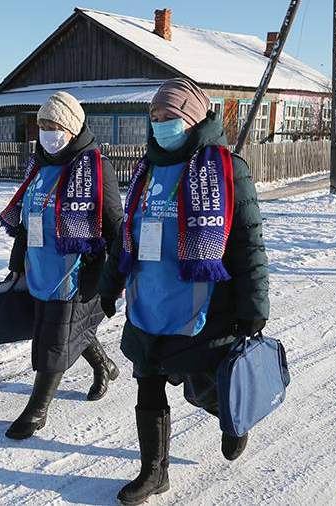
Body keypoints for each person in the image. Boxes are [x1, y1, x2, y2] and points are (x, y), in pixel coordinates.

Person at [98, 78, 270, 505]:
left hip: (202, 306)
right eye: (154, 117)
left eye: (169, 117)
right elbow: (127, 236)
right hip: (148, 299)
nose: (160, 124)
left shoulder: (228, 170)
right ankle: (154, 473)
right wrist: (109, 284)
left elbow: (248, 242)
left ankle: (232, 419)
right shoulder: (146, 169)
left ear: (192, 119)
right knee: (148, 381)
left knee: (204, 387)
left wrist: (254, 305)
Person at [0, 91, 124, 440]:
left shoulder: (96, 168)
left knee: (55, 340)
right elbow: (26, 222)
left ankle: (36, 412)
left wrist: (116, 275)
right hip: (40, 271)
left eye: (53, 125)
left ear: (70, 128)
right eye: (41, 125)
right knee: (66, 331)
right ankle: (104, 366)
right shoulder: (39, 167)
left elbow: (115, 225)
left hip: (75, 275)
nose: (46, 132)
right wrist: (16, 266)